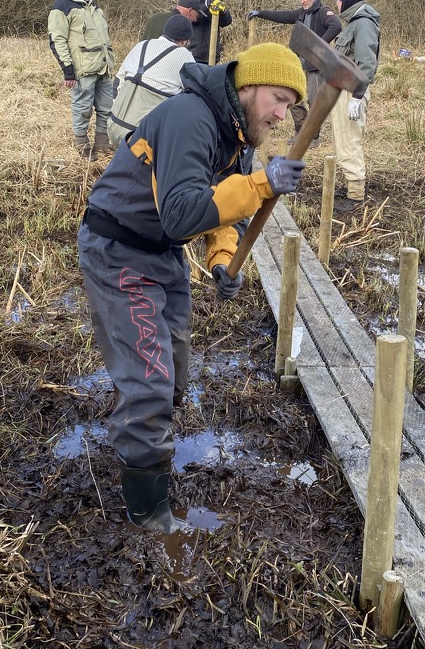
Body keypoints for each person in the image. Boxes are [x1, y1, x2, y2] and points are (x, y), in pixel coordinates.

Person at [77, 43, 307, 533]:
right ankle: (148, 515)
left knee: (174, 373)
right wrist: (261, 184)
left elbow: (223, 211)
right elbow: (182, 212)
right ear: (248, 86)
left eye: (289, 106)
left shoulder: (238, 136)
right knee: (151, 381)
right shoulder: (191, 117)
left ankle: (145, 439)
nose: (281, 115)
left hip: (162, 253)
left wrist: (223, 258)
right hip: (118, 249)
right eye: (278, 99)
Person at [247, 0, 342, 145]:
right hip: (299, 64)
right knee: (292, 97)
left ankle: (313, 137)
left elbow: (336, 25)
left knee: (314, 101)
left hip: (316, 67)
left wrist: (319, 44)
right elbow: (283, 16)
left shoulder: (323, 12)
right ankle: (301, 131)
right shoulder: (301, 13)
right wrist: (260, 13)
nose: (302, 1)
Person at [48, 0, 114, 159]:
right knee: (82, 108)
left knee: (107, 108)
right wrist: (68, 70)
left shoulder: (93, 6)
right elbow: (57, 39)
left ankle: (102, 144)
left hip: (103, 67)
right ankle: (82, 145)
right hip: (82, 69)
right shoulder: (62, 5)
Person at [107, 14, 194, 147]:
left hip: (114, 126)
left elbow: (118, 81)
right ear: (184, 41)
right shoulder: (184, 55)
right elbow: (193, 94)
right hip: (143, 138)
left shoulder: (141, 45)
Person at [331, 0, 381, 205]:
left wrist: (357, 97)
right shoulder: (353, 22)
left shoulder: (363, 23)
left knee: (350, 140)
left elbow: (367, 63)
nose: (336, 3)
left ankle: (356, 193)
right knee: (342, 138)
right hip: (344, 90)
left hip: (353, 92)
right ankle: (350, 183)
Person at [182, 0, 232, 64]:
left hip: (211, 55)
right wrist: (206, 6)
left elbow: (226, 22)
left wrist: (223, 12)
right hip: (192, 54)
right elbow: (192, 18)